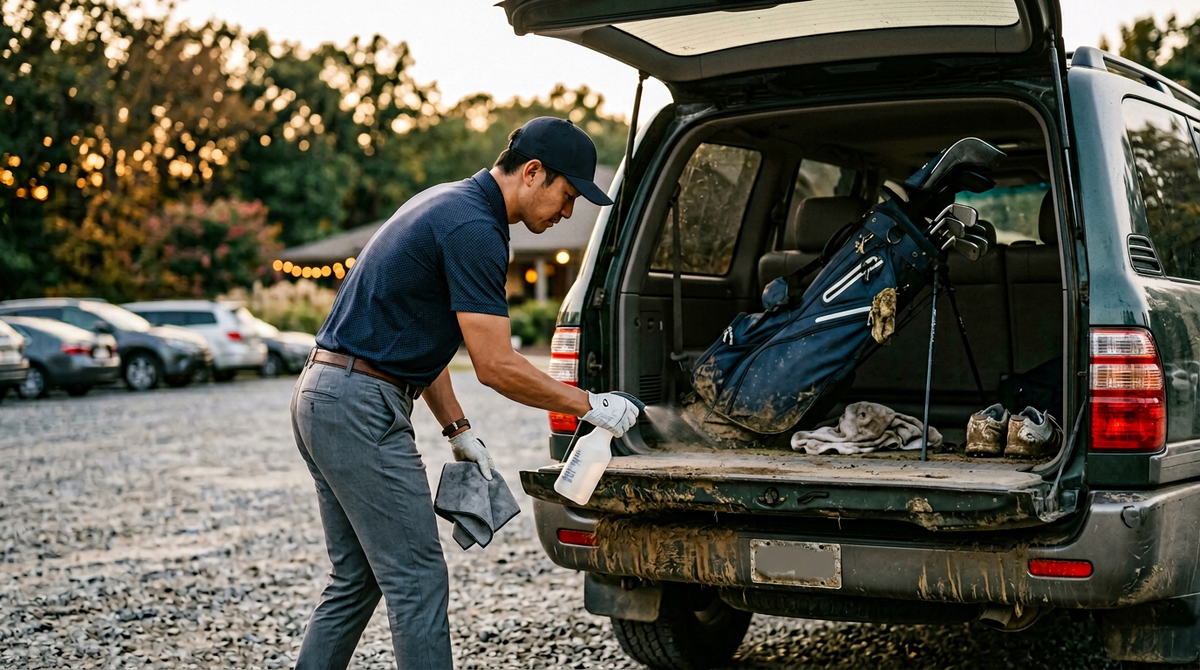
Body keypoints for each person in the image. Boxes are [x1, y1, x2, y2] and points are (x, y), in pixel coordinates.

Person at [290, 116, 641, 670]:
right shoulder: (476, 229)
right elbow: (496, 365)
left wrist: (458, 430)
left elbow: (416, 336)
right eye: (569, 195)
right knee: (417, 580)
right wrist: (591, 405)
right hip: (358, 405)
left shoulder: (446, 201)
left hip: (324, 393)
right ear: (533, 172)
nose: (568, 212)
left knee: (356, 578)